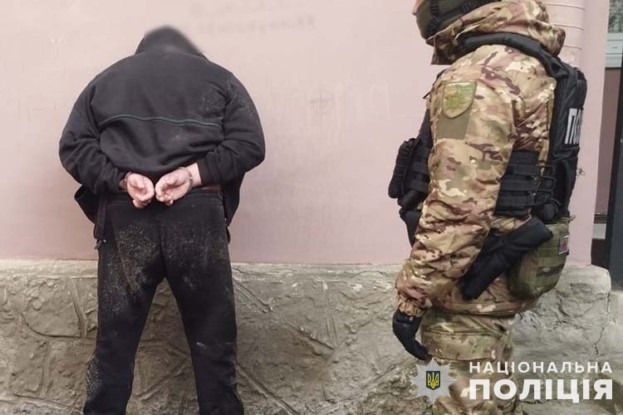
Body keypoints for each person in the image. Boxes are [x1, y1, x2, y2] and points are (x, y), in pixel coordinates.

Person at [59, 26, 265, 415]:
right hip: (197, 216)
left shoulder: (106, 81)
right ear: (192, 52)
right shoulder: (219, 79)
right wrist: (194, 174)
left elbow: (73, 147)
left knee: (114, 346)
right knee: (214, 342)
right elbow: (249, 144)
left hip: (127, 216)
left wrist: (121, 179)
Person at [391, 1, 566, 414]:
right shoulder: (533, 64)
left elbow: (459, 207)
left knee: (453, 396)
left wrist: (413, 297)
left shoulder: (480, 75)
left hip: (468, 282)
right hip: (500, 271)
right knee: (487, 392)